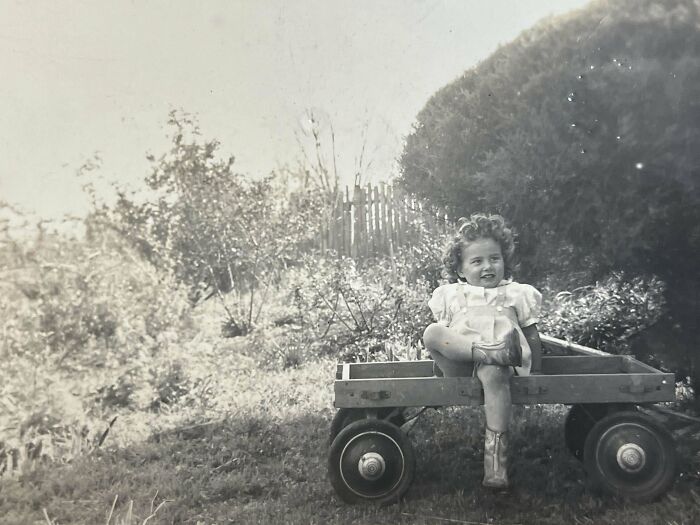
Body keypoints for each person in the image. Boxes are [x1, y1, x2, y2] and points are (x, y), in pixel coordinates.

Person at [422, 213, 543, 489]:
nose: (487, 266)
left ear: (504, 261)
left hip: (499, 368)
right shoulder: (451, 294)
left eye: (494, 258)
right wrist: (440, 358)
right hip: (462, 364)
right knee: (432, 332)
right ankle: (489, 351)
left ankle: (495, 463)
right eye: (477, 261)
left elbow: (531, 335)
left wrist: (536, 372)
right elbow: (444, 338)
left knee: (494, 371)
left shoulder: (516, 293)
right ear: (462, 270)